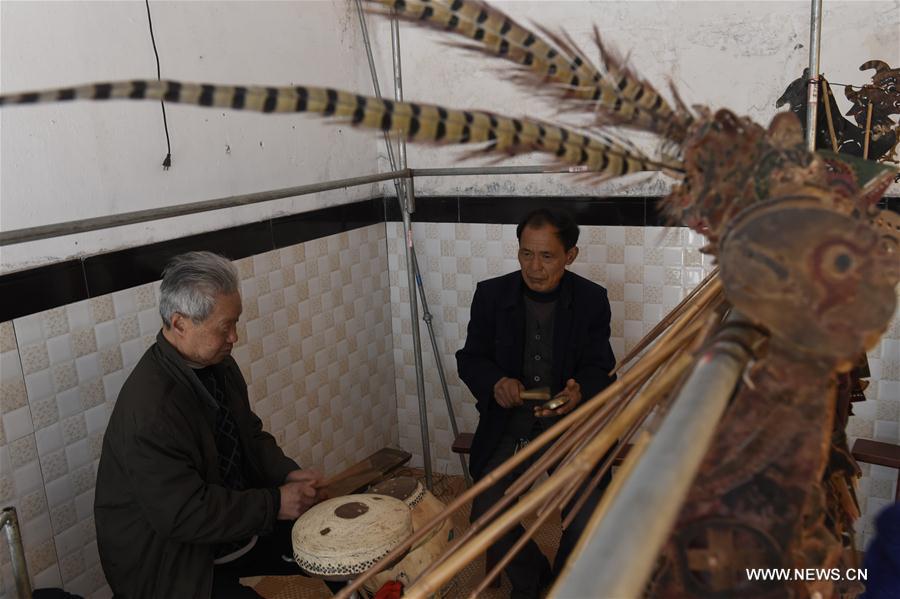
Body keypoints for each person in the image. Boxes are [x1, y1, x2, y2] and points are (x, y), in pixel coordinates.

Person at [94, 251, 339, 599]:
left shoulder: (219, 365)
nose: (234, 338)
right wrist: (273, 503)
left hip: (230, 524)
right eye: (225, 326)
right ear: (180, 324)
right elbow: (183, 514)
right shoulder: (151, 410)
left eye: (236, 323)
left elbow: (249, 437)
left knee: (336, 542)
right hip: (171, 561)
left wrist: (286, 475)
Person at [456, 208, 617, 599]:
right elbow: (471, 358)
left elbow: (601, 366)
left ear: (570, 255)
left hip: (569, 424)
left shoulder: (592, 299)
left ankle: (561, 583)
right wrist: (496, 383)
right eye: (526, 253)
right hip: (511, 424)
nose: (535, 266)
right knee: (487, 509)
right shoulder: (492, 295)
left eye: (547, 256)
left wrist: (581, 391)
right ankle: (531, 583)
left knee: (589, 509)